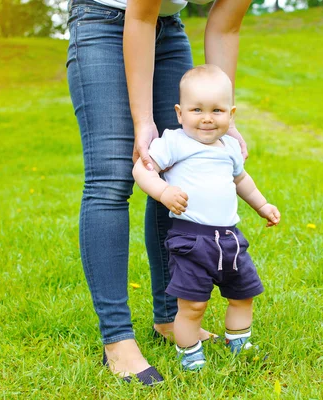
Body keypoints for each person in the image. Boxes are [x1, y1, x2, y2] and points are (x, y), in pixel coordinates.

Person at [66, 0, 252, 386]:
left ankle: (169, 318)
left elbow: (224, 27)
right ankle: (117, 340)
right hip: (104, 22)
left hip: (169, 29)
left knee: (174, 174)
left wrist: (223, 117)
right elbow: (139, 15)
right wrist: (143, 121)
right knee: (113, 177)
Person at [133, 65, 281, 371]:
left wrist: (262, 205)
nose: (207, 118)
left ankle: (239, 343)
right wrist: (162, 192)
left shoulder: (229, 147)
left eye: (217, 110)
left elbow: (241, 181)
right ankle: (190, 355)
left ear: (231, 114)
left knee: (243, 296)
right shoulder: (174, 142)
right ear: (179, 113)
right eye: (196, 109)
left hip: (230, 239)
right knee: (193, 304)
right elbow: (141, 169)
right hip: (191, 239)